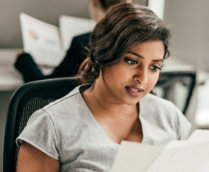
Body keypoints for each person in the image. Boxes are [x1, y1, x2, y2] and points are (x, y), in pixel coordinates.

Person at [16, 3, 192, 171]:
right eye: (131, 61)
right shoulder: (51, 126)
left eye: (154, 67)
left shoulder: (171, 118)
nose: (143, 78)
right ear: (102, 56)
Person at [14, 0, 131, 83]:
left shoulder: (83, 42)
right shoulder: (135, 41)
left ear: (93, 2)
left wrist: (24, 60)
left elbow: (46, 88)